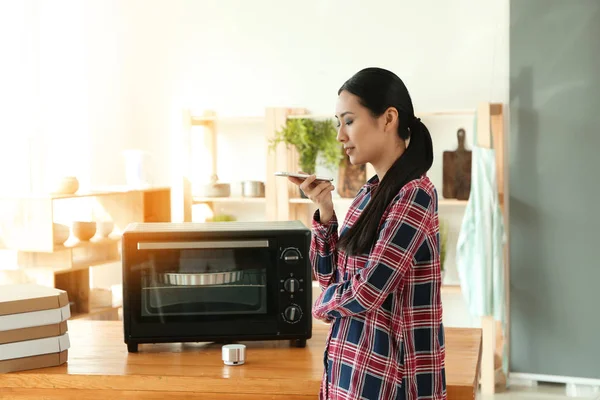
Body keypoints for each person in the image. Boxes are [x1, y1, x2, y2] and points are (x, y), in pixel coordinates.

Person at [288, 67, 446, 400]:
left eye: (348, 121)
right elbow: (330, 277)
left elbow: (369, 289)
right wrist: (326, 211)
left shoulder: (415, 193)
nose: (339, 136)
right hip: (351, 372)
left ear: (388, 119)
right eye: (338, 123)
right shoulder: (369, 194)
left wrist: (320, 306)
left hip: (390, 381)